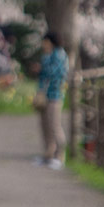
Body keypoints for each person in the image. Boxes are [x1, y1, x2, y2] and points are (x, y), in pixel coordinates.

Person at [34, 32, 69, 169]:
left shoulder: (59, 54)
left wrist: (41, 68)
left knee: (55, 125)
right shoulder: (47, 55)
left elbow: (56, 73)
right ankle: (48, 154)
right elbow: (43, 76)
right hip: (45, 95)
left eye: (45, 41)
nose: (43, 44)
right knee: (45, 125)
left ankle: (60, 156)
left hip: (55, 95)